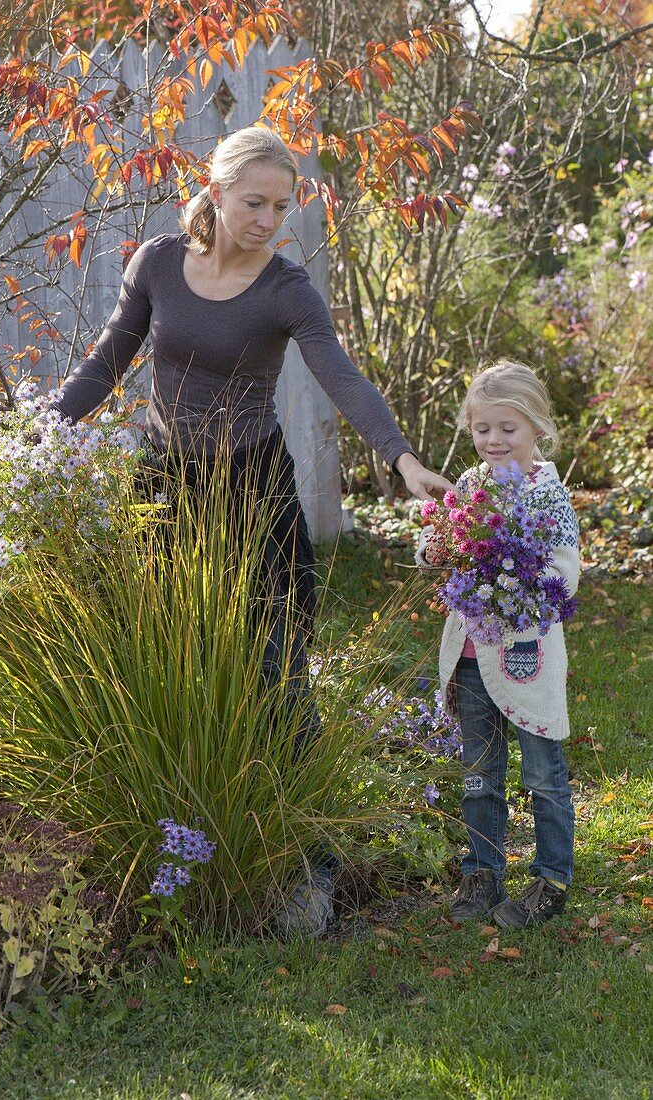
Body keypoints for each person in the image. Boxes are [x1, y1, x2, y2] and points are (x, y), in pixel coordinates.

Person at [49, 125, 452, 936]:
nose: (270, 219)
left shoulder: (287, 289)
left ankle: (306, 866)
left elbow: (339, 374)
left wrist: (402, 460)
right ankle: (181, 852)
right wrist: (47, 426)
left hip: (250, 491)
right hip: (162, 490)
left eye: (283, 203)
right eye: (254, 202)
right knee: (168, 664)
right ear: (217, 190)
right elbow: (107, 360)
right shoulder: (158, 263)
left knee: (276, 678)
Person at [417, 361, 580, 928]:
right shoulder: (468, 486)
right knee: (478, 771)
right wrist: (436, 546)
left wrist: (507, 574)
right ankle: (481, 871)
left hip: (525, 655)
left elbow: (562, 577)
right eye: (483, 428)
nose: (494, 440)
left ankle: (552, 878)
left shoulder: (548, 497)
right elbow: (438, 551)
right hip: (469, 655)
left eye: (508, 428)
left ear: (536, 428)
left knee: (542, 773)